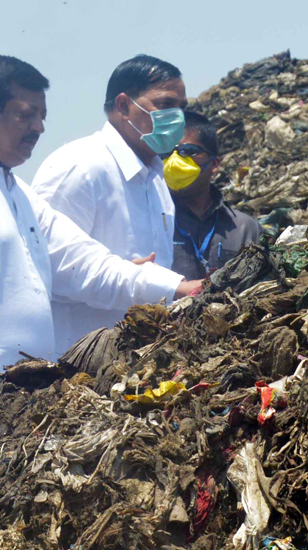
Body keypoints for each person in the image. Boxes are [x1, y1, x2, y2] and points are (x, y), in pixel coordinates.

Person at [0, 55, 200, 401]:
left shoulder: (20, 194)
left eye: (42, 116)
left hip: (16, 407)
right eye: (25, 115)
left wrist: (180, 288)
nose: (39, 127)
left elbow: (86, 264)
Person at [32, 54, 192, 354]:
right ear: (123, 106)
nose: (177, 118)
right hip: (73, 368)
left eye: (182, 108)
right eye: (165, 105)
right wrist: (129, 277)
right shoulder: (78, 167)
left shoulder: (157, 181)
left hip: (136, 365)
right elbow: (46, 270)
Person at [164, 111, 261, 280]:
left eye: (187, 151)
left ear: (214, 164)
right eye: (168, 152)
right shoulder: (154, 224)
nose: (175, 161)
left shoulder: (245, 229)